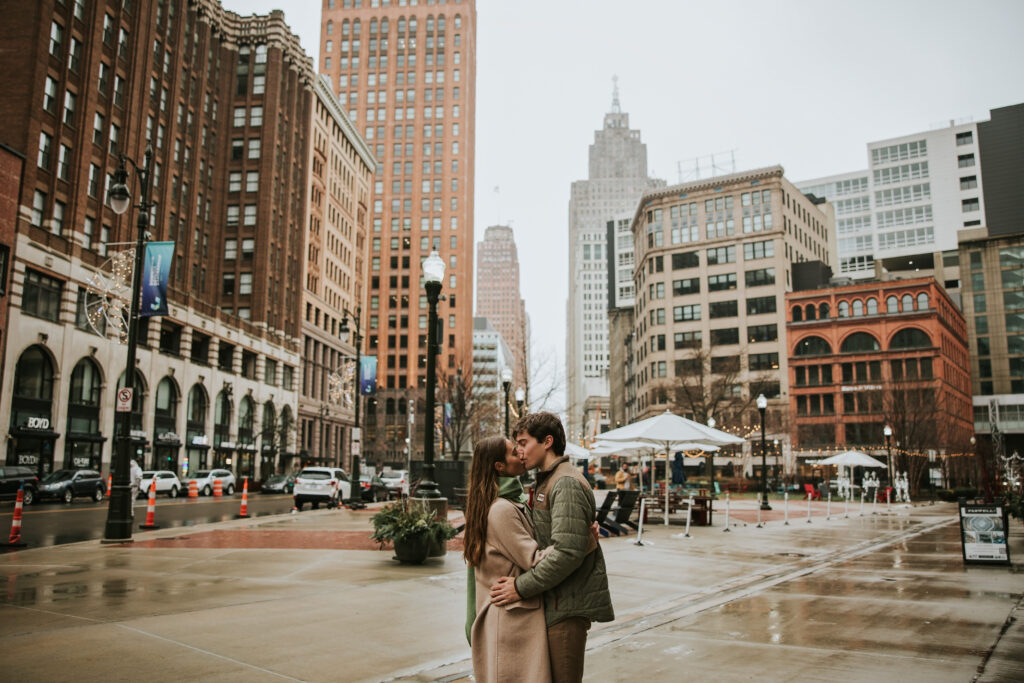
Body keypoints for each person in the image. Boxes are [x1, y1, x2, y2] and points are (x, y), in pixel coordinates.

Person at [491, 412, 614, 683]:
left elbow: (566, 553)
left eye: (523, 443)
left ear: (547, 442)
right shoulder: (548, 480)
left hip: (566, 607)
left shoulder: (565, 482)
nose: (520, 451)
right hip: (554, 602)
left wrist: (519, 587)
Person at [464, 436, 552, 683]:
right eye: (515, 452)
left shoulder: (508, 502)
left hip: (509, 619)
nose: (521, 453)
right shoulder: (501, 510)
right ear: (499, 466)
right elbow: (535, 559)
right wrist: (576, 541)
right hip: (512, 624)